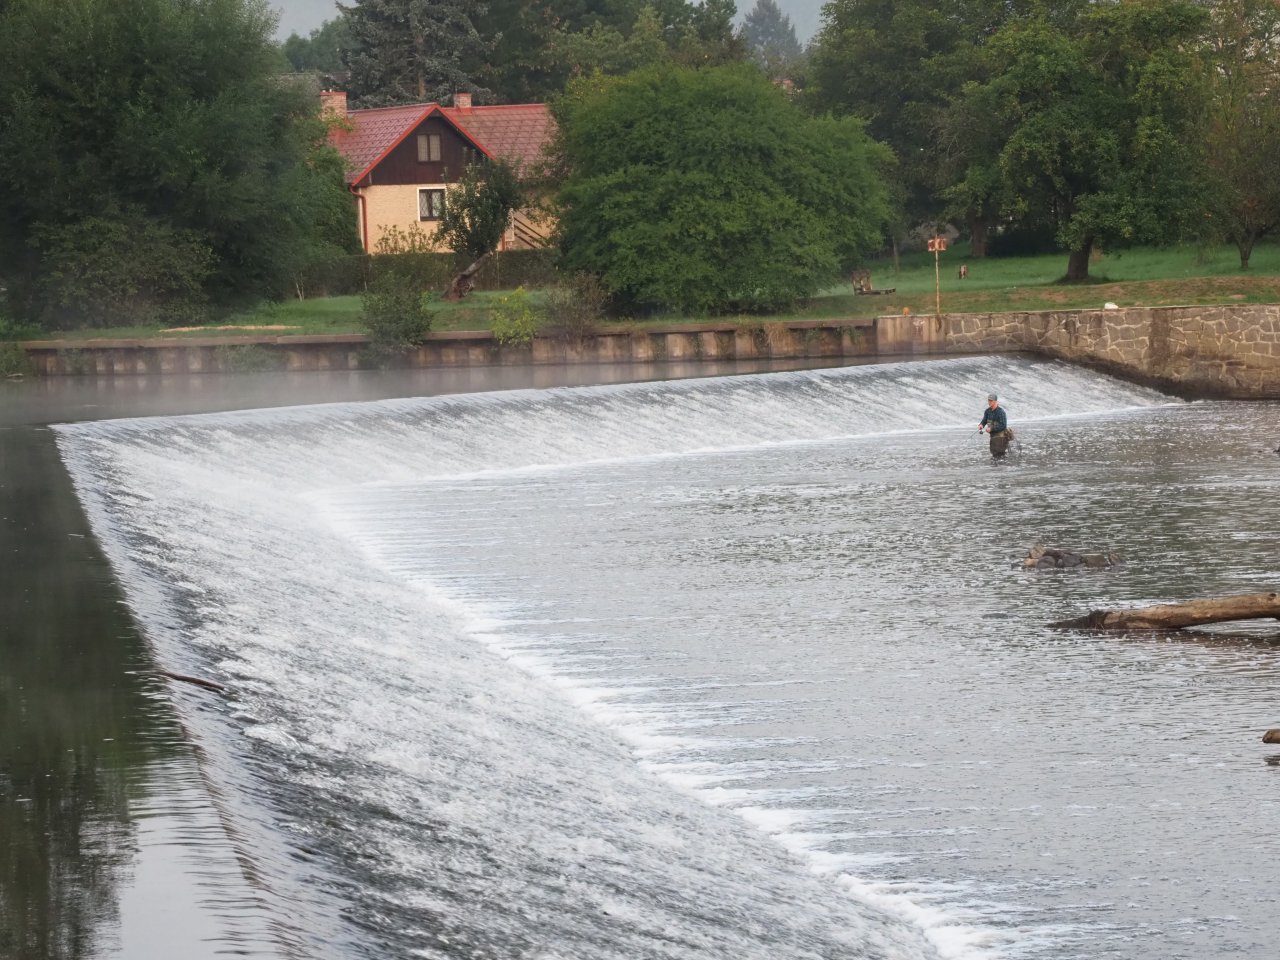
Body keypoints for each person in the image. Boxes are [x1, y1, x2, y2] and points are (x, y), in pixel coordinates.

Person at [978, 393, 1013, 458]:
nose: (989, 402)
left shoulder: (1001, 412)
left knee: (1000, 456)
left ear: (996, 401)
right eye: (989, 400)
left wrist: (991, 429)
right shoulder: (987, 411)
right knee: (994, 455)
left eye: (991, 401)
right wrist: (981, 425)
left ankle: (1001, 468)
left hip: (1001, 438)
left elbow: (1003, 425)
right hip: (993, 437)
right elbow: (984, 420)